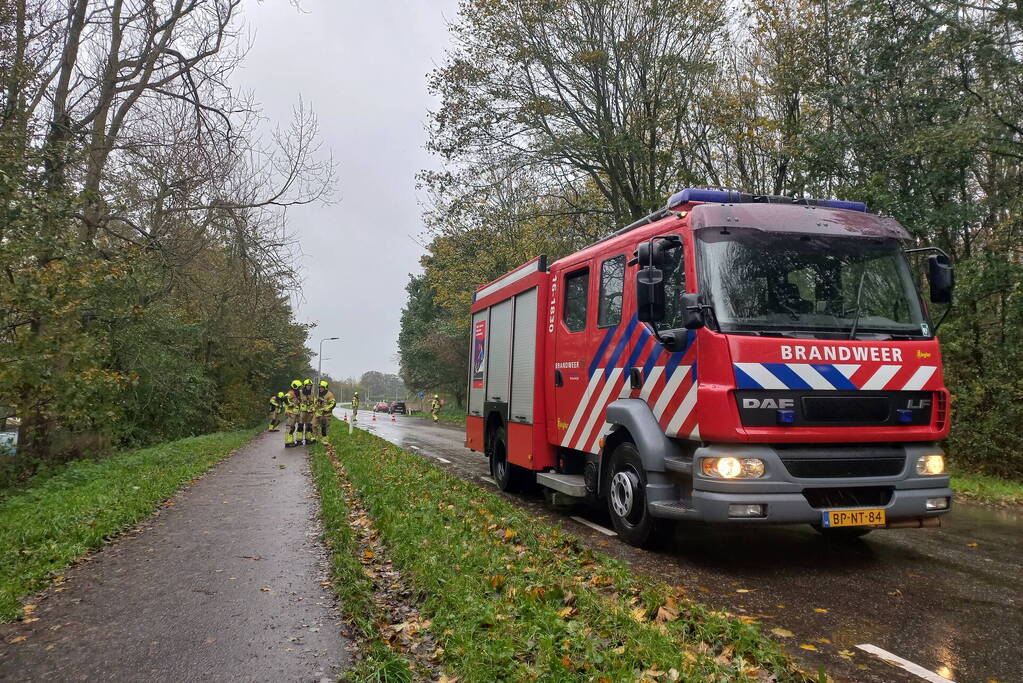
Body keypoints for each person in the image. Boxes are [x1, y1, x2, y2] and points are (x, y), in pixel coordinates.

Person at [283, 380, 302, 448]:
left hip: (295, 413)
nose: (299, 389)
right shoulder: (291, 393)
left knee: (292, 427)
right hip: (291, 413)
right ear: (295, 386)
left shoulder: (296, 393)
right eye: (299, 387)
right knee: (289, 427)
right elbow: (285, 398)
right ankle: (288, 442)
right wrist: (290, 404)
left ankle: (290, 441)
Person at [299, 379, 316, 445]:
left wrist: (313, 409)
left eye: (310, 386)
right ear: (305, 386)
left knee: (309, 426)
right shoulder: (300, 392)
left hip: (310, 412)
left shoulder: (312, 394)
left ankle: (308, 439)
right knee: (300, 425)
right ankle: (299, 440)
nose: (309, 387)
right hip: (302, 411)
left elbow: (314, 402)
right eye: (307, 385)